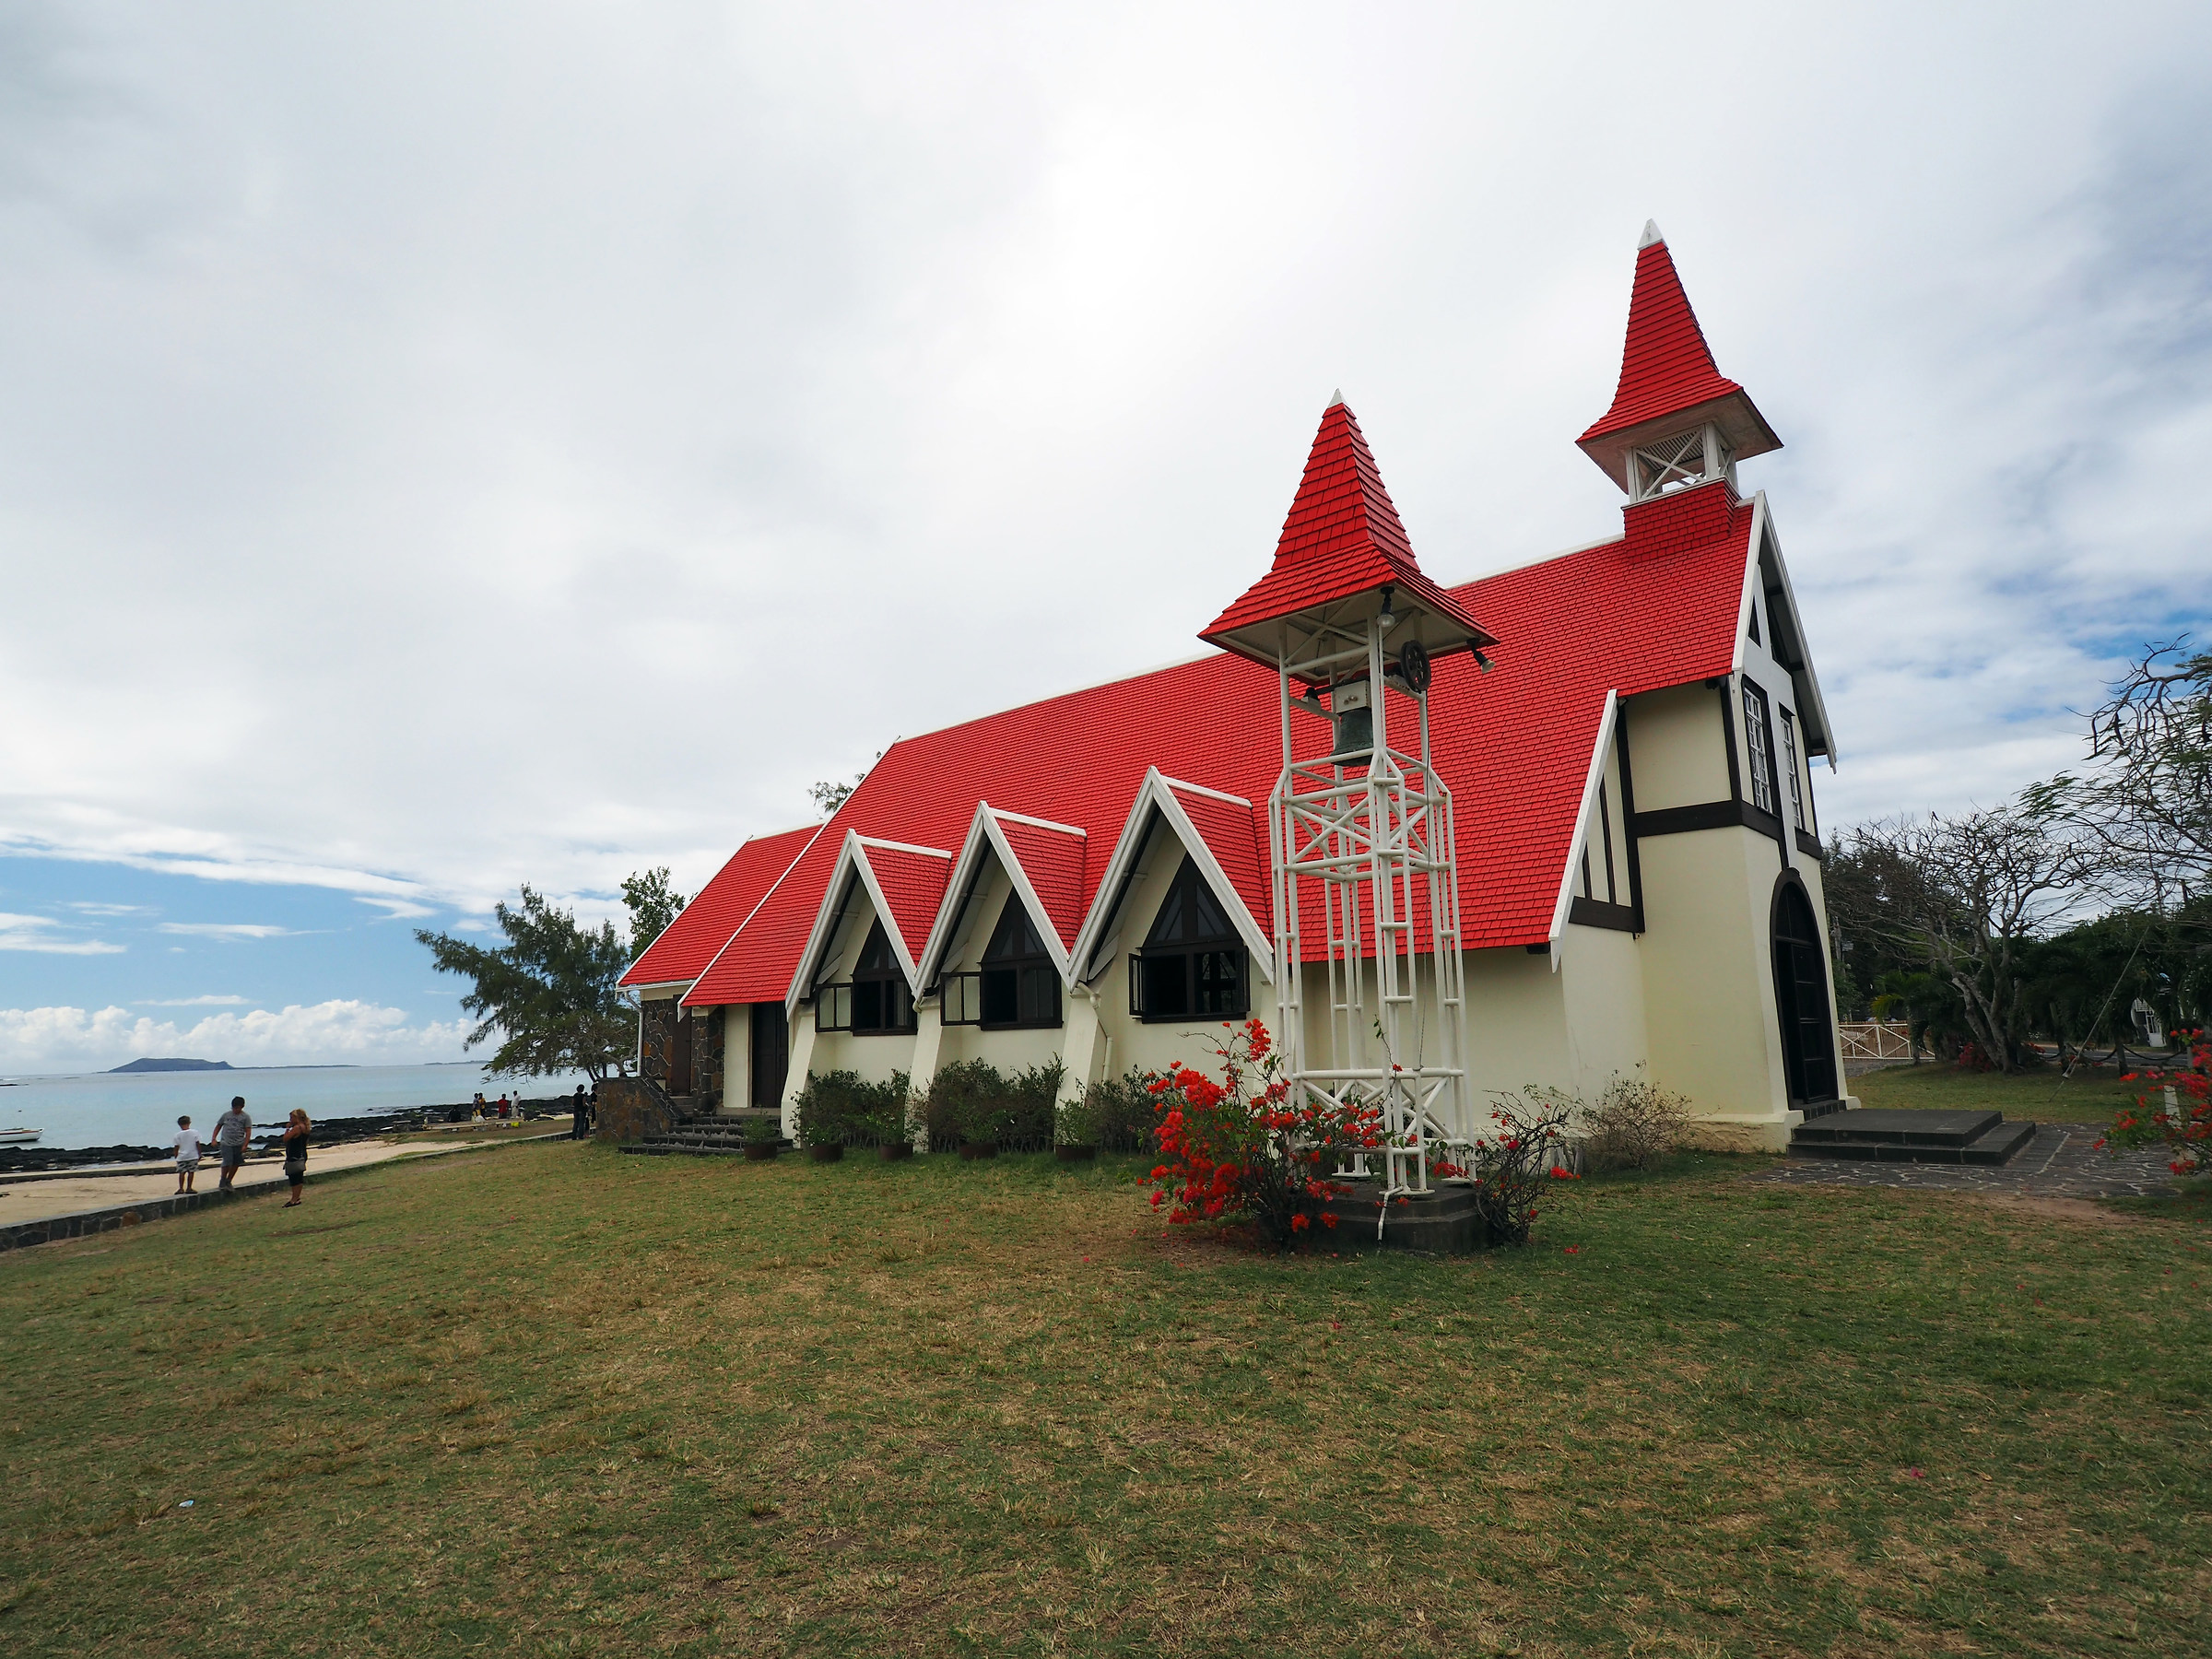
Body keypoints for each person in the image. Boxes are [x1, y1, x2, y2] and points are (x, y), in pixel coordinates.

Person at [211, 1097, 253, 1191]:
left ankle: (228, 1181)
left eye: (238, 1108)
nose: (235, 1110)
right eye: (234, 1108)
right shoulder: (226, 1115)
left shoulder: (246, 1117)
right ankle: (223, 1179)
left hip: (238, 1143)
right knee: (227, 1161)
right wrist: (214, 1138)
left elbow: (248, 1132)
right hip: (226, 1143)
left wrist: (245, 1144)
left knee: (236, 1163)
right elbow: (218, 1126)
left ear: (242, 1107)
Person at [279, 1109, 311, 1207]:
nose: (290, 1120)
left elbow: (285, 1138)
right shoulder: (305, 1127)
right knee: (299, 1177)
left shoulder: (297, 1128)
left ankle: (294, 1199)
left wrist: (287, 1128)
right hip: (302, 1153)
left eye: (292, 1117)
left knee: (294, 1178)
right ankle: (296, 1197)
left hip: (295, 1154)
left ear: (297, 1118)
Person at [170, 1115, 202, 1194]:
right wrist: (199, 1153)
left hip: (182, 1156)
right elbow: (198, 1144)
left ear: (179, 1124)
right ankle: (189, 1187)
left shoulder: (177, 1135)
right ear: (189, 1123)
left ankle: (181, 1188)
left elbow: (176, 1147)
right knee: (191, 1172)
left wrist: (176, 1155)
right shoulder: (195, 1132)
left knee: (182, 1172)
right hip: (192, 1155)